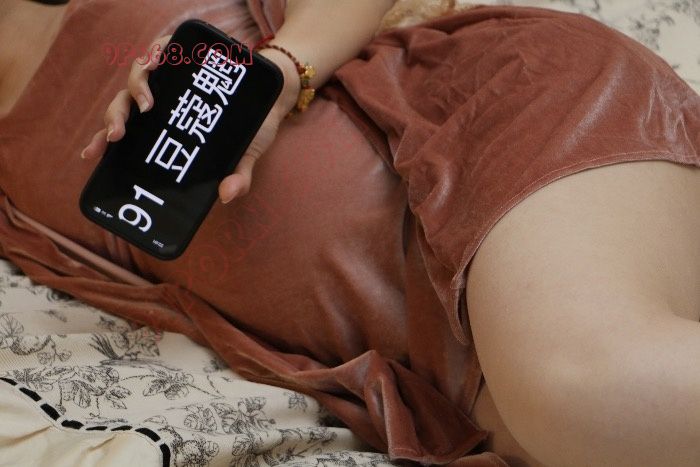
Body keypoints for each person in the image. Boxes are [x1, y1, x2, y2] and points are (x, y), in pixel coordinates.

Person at [0, 0, 699, 466]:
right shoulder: (11, 204)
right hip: (446, 356)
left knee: (587, 391)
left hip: (485, 132)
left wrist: (280, 67)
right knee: (584, 429)